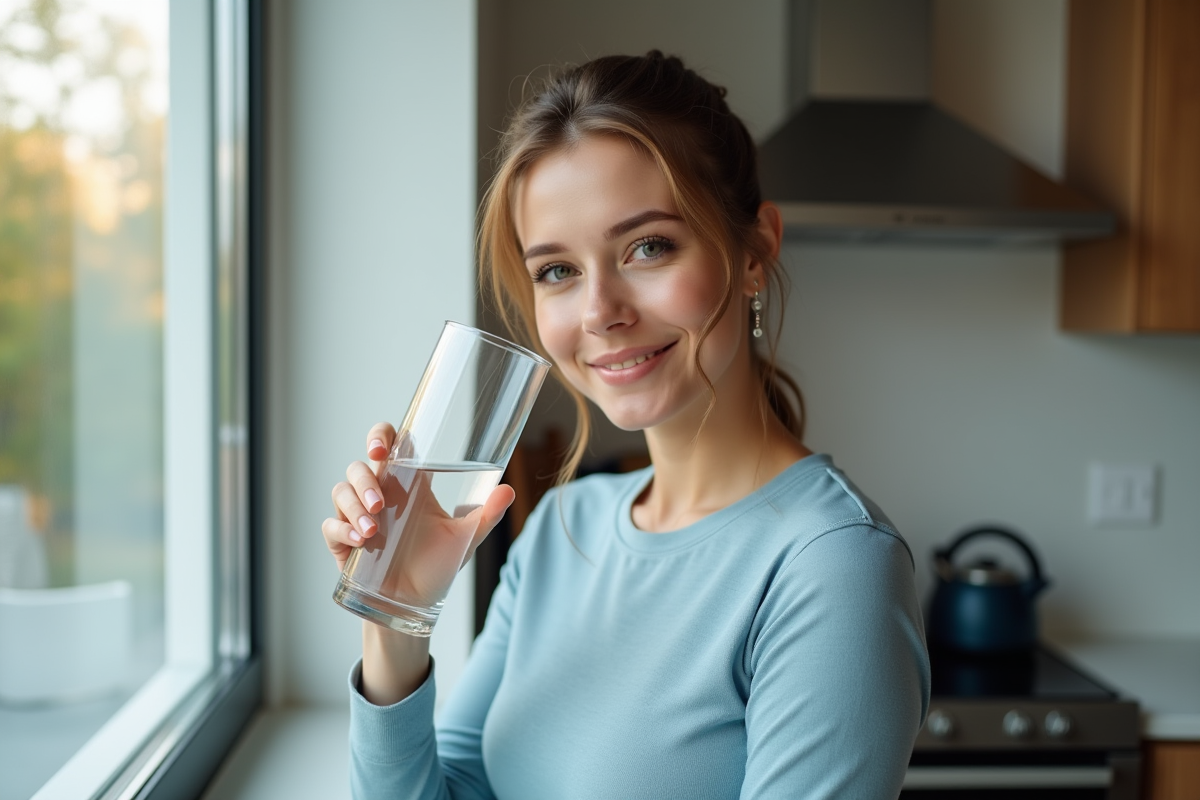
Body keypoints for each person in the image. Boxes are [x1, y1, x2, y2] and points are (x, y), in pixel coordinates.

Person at [323, 51, 930, 800]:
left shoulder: (831, 565)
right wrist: (397, 611)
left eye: (649, 247)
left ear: (754, 252)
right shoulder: (560, 531)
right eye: (558, 270)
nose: (600, 311)